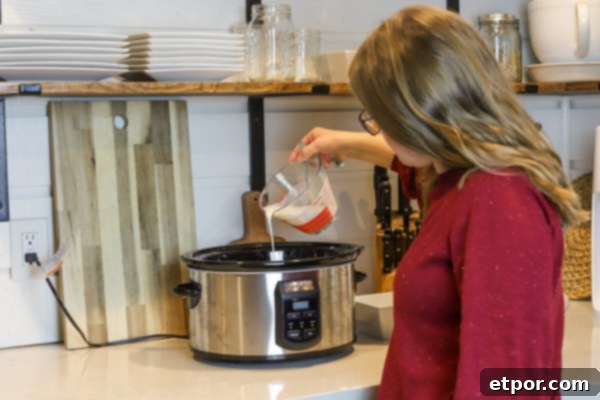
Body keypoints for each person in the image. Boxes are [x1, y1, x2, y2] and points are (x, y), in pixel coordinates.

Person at [289, 5, 585, 400]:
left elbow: (504, 384)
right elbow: (415, 167)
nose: (377, 127)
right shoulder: (459, 179)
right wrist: (345, 144)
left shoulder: (499, 199)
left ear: (418, 117)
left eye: (379, 118)